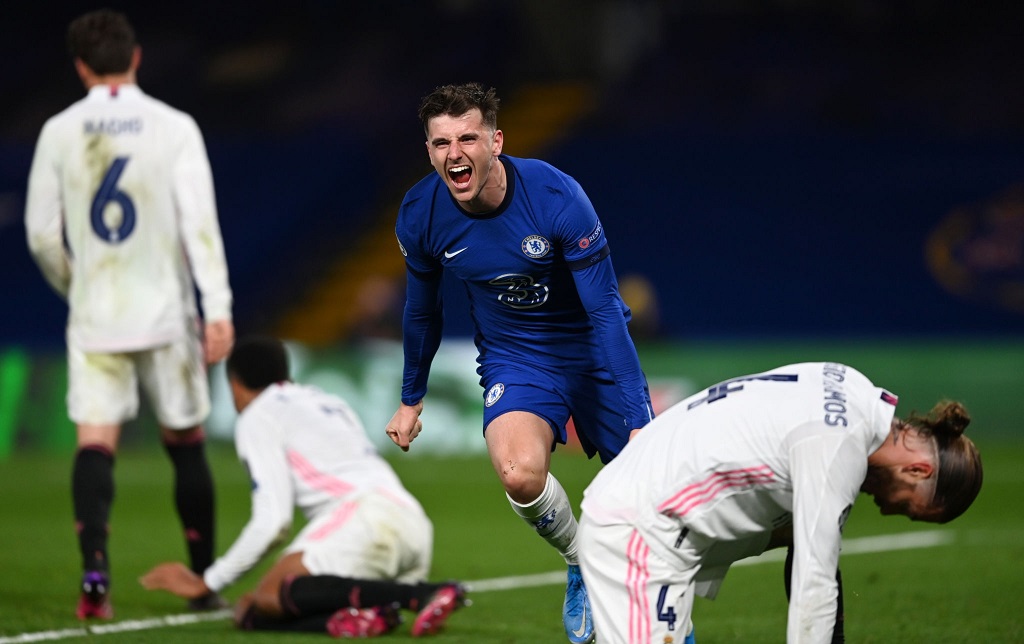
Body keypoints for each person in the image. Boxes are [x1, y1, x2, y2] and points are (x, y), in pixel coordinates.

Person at [385, 82, 654, 644]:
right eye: (441, 143)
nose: (454, 153)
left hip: (591, 350)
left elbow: (605, 312)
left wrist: (639, 416)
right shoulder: (420, 214)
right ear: (429, 151)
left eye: (467, 138)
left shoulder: (556, 197)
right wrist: (411, 398)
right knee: (519, 474)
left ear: (496, 141)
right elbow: (422, 312)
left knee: (653, 502)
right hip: (517, 358)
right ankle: (582, 560)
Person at [23, 9, 234, 620]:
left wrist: (78, 285)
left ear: (80, 66)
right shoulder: (173, 126)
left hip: (96, 314)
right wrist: (217, 308)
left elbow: (41, 235)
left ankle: (95, 575)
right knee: (185, 440)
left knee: (96, 441)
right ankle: (202, 580)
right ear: (136, 57)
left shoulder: (59, 130)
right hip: (167, 314)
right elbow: (199, 224)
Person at [577, 361, 984, 644]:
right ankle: (608, 590)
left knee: (798, 525)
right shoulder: (838, 447)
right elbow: (814, 586)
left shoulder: (852, 388)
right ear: (918, 470)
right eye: (909, 508)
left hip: (652, 510)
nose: (887, 509)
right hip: (638, 531)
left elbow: (806, 544)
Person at [140, 336, 466, 637]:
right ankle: (363, 616)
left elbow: (274, 522)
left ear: (234, 384)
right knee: (252, 611)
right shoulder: (327, 400)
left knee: (270, 594)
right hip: (412, 523)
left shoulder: (258, 415)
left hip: (364, 520)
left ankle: (421, 595)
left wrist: (208, 582)